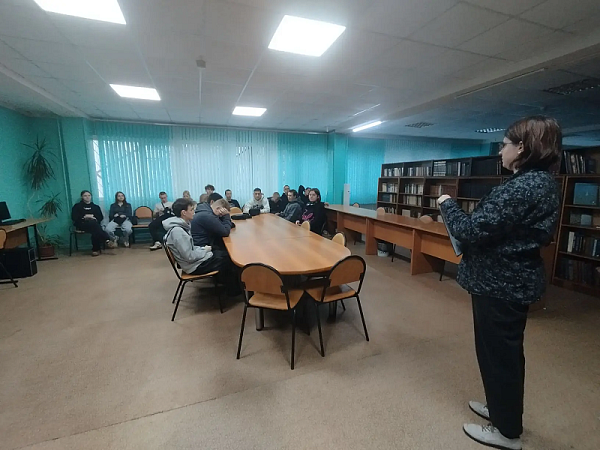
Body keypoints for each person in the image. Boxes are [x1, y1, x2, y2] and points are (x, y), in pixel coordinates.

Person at [437, 116, 562, 450]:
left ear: (522, 147)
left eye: (504, 144)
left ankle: (507, 432)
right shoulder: (540, 182)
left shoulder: (524, 186)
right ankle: (500, 408)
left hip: (501, 284)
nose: (500, 151)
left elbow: (470, 231)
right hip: (505, 281)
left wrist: (448, 205)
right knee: (501, 354)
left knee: (500, 357)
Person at [191, 195, 240, 295]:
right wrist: (226, 217)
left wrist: (224, 220)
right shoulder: (207, 216)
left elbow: (225, 225)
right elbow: (225, 232)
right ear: (218, 208)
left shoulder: (205, 211)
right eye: (221, 214)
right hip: (203, 249)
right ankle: (233, 290)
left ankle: (230, 283)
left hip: (203, 245)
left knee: (227, 250)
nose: (220, 216)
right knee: (230, 256)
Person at [163, 198, 222, 276]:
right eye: (191, 210)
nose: (194, 212)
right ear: (184, 213)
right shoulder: (178, 232)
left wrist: (203, 249)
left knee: (220, 252)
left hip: (194, 262)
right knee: (227, 259)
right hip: (194, 267)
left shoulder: (183, 225)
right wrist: (205, 251)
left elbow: (190, 248)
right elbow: (190, 257)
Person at [71, 190, 115, 256]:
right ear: (82, 197)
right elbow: (74, 217)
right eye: (85, 196)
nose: (87, 197)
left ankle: (96, 250)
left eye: (89, 195)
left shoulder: (95, 207)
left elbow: (100, 217)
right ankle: (106, 240)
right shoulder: (77, 206)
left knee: (94, 228)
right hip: (82, 224)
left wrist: (94, 218)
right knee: (95, 227)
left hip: (94, 224)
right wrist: (84, 217)